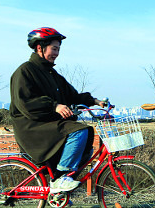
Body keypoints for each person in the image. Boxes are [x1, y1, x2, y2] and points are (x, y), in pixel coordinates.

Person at [10, 27, 107, 193]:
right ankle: (60, 178)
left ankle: (61, 185)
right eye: (54, 49)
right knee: (79, 132)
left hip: (48, 125)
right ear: (40, 47)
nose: (57, 53)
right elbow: (25, 103)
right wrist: (54, 106)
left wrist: (95, 101)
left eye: (58, 49)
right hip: (32, 127)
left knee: (86, 146)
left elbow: (72, 95)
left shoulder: (52, 74)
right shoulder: (25, 71)